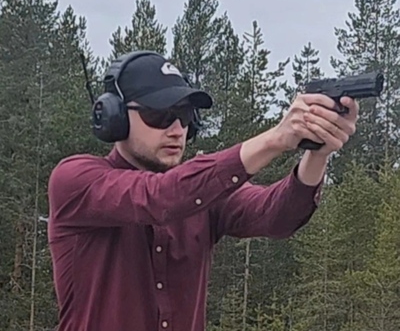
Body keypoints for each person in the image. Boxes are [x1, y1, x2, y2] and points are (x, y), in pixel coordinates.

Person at [47, 50, 359, 331]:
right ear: (114, 117)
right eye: (159, 115)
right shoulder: (75, 179)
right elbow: (159, 197)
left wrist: (318, 151)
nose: (177, 130)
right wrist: (275, 139)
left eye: (184, 116)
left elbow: (277, 216)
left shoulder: (202, 192)